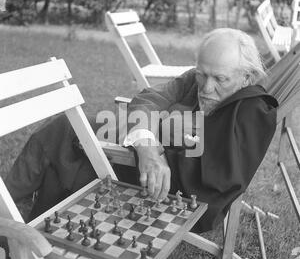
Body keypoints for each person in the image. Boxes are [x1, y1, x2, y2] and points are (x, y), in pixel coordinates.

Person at [4, 28, 278, 233]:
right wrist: (147, 148)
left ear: (247, 77)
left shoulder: (247, 113)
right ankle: (23, 220)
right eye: (201, 73)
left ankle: (12, 211)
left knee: (63, 133)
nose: (206, 88)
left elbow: (210, 175)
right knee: (67, 137)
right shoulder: (199, 80)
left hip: (154, 182)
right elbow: (148, 99)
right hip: (140, 150)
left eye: (220, 79)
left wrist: (154, 153)